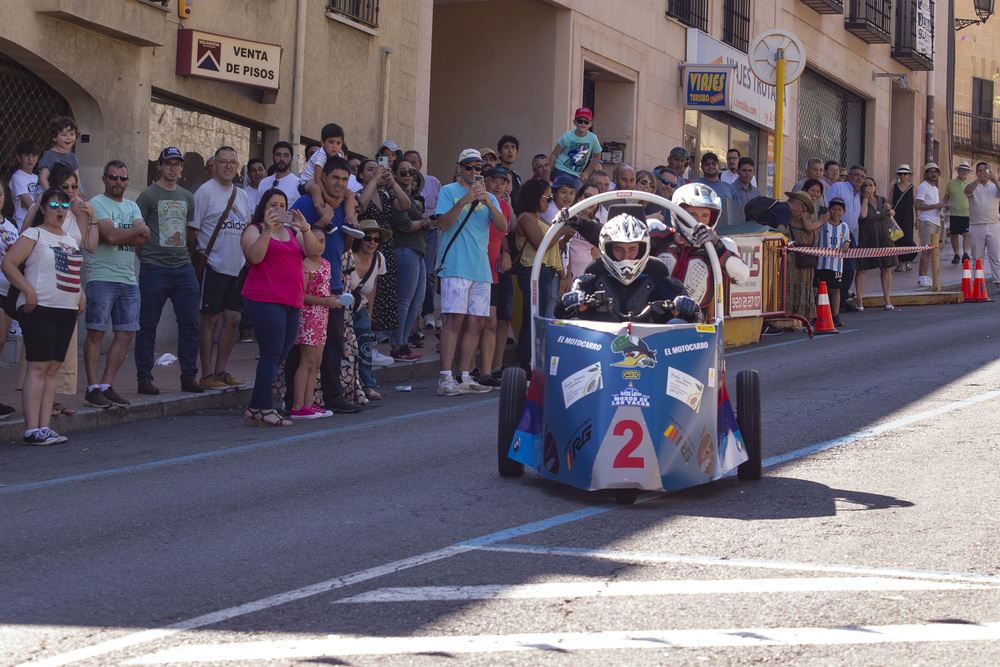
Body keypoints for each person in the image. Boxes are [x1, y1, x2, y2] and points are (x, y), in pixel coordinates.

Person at [2, 188, 85, 445]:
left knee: (53, 369)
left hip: (66, 311)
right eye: (54, 205)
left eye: (64, 205)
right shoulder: (33, 234)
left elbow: (72, 271)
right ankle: (31, 430)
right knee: (38, 367)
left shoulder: (70, 239)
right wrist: (28, 292)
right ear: (43, 209)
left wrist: (81, 296)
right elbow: (8, 263)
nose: (59, 209)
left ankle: (44, 427)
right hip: (39, 310)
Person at [285, 156, 365, 415]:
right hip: (306, 287)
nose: (340, 184)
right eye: (335, 178)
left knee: (332, 344)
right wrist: (321, 220)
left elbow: (340, 245)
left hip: (334, 284)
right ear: (324, 178)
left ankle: (331, 397)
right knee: (299, 349)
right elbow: (289, 241)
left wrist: (352, 231)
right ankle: (292, 401)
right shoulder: (306, 203)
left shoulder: (345, 205)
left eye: (344, 179)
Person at [240, 189, 319, 426]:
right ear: (264, 208)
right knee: (271, 354)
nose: (277, 209)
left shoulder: (293, 231)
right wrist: (267, 230)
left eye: (282, 204)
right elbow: (254, 257)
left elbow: (314, 253)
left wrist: (305, 228)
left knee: (279, 356)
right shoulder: (254, 230)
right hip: (264, 298)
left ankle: (255, 408)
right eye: (272, 205)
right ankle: (263, 408)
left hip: (292, 301)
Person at [433, 148, 508, 395]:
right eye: (469, 167)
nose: (474, 171)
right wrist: (465, 200)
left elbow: (502, 226)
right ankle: (445, 378)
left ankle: (464, 376)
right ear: (459, 168)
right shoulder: (448, 191)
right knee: (454, 321)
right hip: (455, 266)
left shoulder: (490, 197)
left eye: (478, 168)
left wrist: (487, 201)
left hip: (481, 269)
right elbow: (442, 224)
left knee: (476, 323)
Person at [135, 147, 204, 396]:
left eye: (177, 164)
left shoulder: (187, 197)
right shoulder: (147, 195)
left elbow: (188, 231)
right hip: (155, 268)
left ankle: (188, 376)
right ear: (159, 166)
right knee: (147, 325)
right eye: (168, 164)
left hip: (183, 267)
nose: (173, 168)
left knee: (189, 325)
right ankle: (144, 378)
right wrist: (148, 259)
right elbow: (137, 232)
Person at [82, 160, 150, 409]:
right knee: (96, 332)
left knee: (125, 333)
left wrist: (127, 234)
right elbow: (109, 236)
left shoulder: (132, 205)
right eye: (112, 178)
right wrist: (133, 232)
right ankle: (91, 388)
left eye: (122, 178)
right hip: (101, 277)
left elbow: (146, 237)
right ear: (104, 179)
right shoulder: (96, 204)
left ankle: (106, 385)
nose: (117, 183)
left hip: (128, 279)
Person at [554, 212, 700, 324]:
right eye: (619, 249)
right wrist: (566, 302)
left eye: (632, 249)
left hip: (654, 356)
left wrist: (690, 308)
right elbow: (560, 315)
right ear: (608, 249)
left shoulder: (660, 278)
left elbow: (696, 319)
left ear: (643, 248)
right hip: (598, 356)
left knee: (677, 323)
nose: (626, 256)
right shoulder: (590, 280)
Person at [190, 146, 252, 390]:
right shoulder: (204, 193)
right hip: (213, 266)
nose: (228, 166)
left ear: (238, 167)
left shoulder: (243, 195)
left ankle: (221, 370)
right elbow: (191, 232)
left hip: (236, 267)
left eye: (232, 163)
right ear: (213, 166)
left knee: (234, 320)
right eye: (223, 162)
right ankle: (206, 374)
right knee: (210, 320)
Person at [647, 183, 750, 311]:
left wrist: (718, 247)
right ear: (677, 213)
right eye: (692, 214)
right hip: (650, 317)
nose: (697, 221)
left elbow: (741, 277)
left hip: (694, 322)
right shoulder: (659, 235)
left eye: (704, 216)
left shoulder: (720, 246)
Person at [514, 179, 570, 372]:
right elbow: (541, 244)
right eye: (548, 197)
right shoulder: (526, 217)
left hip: (545, 271)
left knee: (540, 319)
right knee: (532, 319)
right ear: (535, 197)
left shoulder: (538, 217)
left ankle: (536, 362)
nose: (550, 201)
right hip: (532, 271)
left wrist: (565, 237)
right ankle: (527, 366)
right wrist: (560, 230)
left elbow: (552, 249)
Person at [358, 158, 410, 345]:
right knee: (369, 293)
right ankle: (366, 341)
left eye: (377, 169)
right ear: (361, 174)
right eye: (370, 170)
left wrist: (392, 181)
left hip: (385, 248)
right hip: (367, 247)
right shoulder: (357, 193)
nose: (375, 172)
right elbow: (361, 206)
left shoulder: (385, 195)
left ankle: (374, 342)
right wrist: (374, 180)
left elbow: (405, 205)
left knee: (383, 295)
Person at [388, 157, 428, 362]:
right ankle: (396, 346)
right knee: (403, 301)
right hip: (404, 249)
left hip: (417, 250)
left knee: (417, 301)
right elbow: (403, 225)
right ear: (394, 174)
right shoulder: (395, 196)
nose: (408, 175)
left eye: (411, 172)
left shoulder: (411, 198)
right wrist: (423, 223)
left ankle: (403, 343)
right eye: (402, 172)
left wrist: (422, 223)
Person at [346, 220, 389, 402]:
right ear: (359, 240)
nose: (372, 242)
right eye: (368, 238)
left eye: (376, 239)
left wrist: (369, 313)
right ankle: (347, 385)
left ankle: (367, 384)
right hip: (342, 306)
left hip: (361, 306)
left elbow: (372, 288)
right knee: (345, 348)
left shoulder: (379, 259)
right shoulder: (348, 256)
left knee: (365, 346)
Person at [854, 177, 898, 310]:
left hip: (884, 237)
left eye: (870, 185)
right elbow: (863, 215)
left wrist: (889, 209)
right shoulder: (860, 200)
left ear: (875, 187)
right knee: (862, 269)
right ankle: (859, 300)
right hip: (867, 237)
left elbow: (892, 214)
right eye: (865, 185)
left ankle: (887, 298)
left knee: (886, 268)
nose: (867, 187)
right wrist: (866, 198)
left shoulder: (882, 199)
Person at [826, 165, 865, 309]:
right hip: (835, 233)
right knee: (834, 270)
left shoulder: (858, 195)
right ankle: (832, 303)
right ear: (849, 176)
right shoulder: (839, 187)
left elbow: (855, 219)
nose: (859, 178)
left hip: (849, 235)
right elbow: (828, 207)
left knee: (849, 269)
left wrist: (855, 238)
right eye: (856, 175)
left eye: (862, 176)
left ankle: (842, 301)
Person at [785, 190, 823, 323]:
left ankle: (801, 317)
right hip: (794, 255)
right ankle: (791, 316)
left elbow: (808, 228)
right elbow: (809, 228)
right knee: (790, 283)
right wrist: (821, 222)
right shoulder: (789, 215)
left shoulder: (807, 216)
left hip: (804, 255)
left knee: (803, 284)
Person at [814, 197, 851, 327]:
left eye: (839, 210)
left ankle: (835, 315)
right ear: (829, 210)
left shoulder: (844, 227)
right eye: (834, 209)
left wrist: (846, 244)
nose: (836, 212)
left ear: (844, 212)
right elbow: (816, 239)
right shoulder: (823, 224)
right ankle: (818, 313)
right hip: (821, 263)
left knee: (835, 289)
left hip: (836, 265)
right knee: (819, 288)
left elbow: (847, 240)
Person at [964, 162, 1000, 293]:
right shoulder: (973, 186)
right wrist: (978, 180)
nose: (982, 173)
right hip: (976, 225)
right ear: (976, 173)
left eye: (985, 171)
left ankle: (999, 283)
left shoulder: (994, 186)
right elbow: (967, 191)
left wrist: (995, 180)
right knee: (977, 257)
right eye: (979, 171)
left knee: (996, 257)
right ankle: (978, 284)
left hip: (994, 224)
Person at [548, 107, 602, 189]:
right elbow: (554, 154)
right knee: (565, 189)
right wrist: (550, 170)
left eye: (586, 121)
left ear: (590, 124)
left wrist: (586, 172)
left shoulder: (593, 138)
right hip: (561, 169)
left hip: (576, 174)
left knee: (579, 193)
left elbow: (596, 157)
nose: (583, 123)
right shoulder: (567, 136)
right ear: (575, 122)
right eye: (580, 121)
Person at [914, 162, 945, 287]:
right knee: (926, 250)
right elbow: (918, 205)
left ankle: (926, 276)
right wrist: (935, 206)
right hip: (926, 222)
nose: (933, 174)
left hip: (935, 221)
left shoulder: (935, 188)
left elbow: (934, 205)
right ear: (926, 174)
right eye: (931, 172)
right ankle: (921, 277)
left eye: (935, 172)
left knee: (932, 251)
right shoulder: (923, 187)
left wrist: (940, 210)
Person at [37, 117, 80, 191]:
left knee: (83, 203)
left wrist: (74, 194)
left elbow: (76, 179)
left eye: (72, 134)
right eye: (64, 135)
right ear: (54, 138)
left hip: (66, 190)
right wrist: (51, 195)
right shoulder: (50, 156)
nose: (69, 138)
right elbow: (43, 179)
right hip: (46, 190)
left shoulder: (72, 157)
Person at [942, 161, 972, 264]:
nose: (963, 172)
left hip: (967, 214)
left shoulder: (970, 184)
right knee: (954, 235)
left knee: (966, 234)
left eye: (966, 170)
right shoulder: (951, 183)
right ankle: (956, 254)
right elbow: (945, 198)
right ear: (958, 171)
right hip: (953, 214)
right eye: (962, 170)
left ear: (968, 172)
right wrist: (942, 208)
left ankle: (966, 253)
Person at [891, 164, 917, 272]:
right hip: (897, 216)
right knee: (897, 239)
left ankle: (908, 261)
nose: (903, 176)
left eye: (905, 174)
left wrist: (918, 218)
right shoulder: (894, 186)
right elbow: (890, 201)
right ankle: (899, 262)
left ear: (909, 175)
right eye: (901, 174)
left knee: (908, 238)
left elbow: (916, 204)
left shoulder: (913, 187)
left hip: (908, 216)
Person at [9, 141, 40, 228]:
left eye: (33, 155)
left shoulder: (38, 178)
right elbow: (29, 204)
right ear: (18, 157)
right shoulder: (17, 177)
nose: (30, 159)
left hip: (38, 224)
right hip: (22, 223)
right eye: (26, 155)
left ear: (37, 158)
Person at [497, 135, 522, 204]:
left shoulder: (517, 176)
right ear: (500, 153)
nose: (510, 151)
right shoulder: (495, 173)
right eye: (506, 147)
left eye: (513, 147)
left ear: (516, 153)